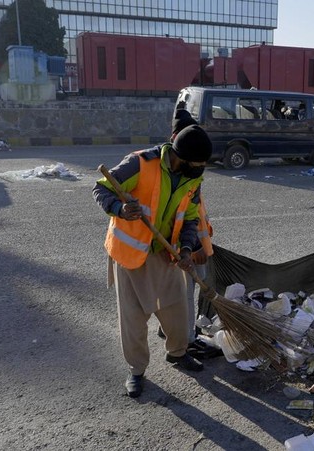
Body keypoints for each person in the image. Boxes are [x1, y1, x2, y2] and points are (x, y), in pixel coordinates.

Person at [93, 122, 213, 398]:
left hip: (165, 251)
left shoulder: (192, 178)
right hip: (131, 253)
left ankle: (177, 353)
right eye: (196, 164)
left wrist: (185, 248)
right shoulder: (140, 164)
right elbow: (101, 188)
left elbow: (191, 217)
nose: (200, 170)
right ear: (179, 157)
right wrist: (120, 209)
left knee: (175, 307)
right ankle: (136, 370)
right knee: (134, 317)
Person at [156, 108, 221, 361]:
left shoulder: (185, 172)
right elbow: (177, 218)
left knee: (181, 294)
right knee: (183, 295)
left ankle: (172, 331)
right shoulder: (171, 171)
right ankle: (187, 341)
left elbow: (193, 213)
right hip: (185, 247)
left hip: (191, 243)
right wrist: (193, 247)